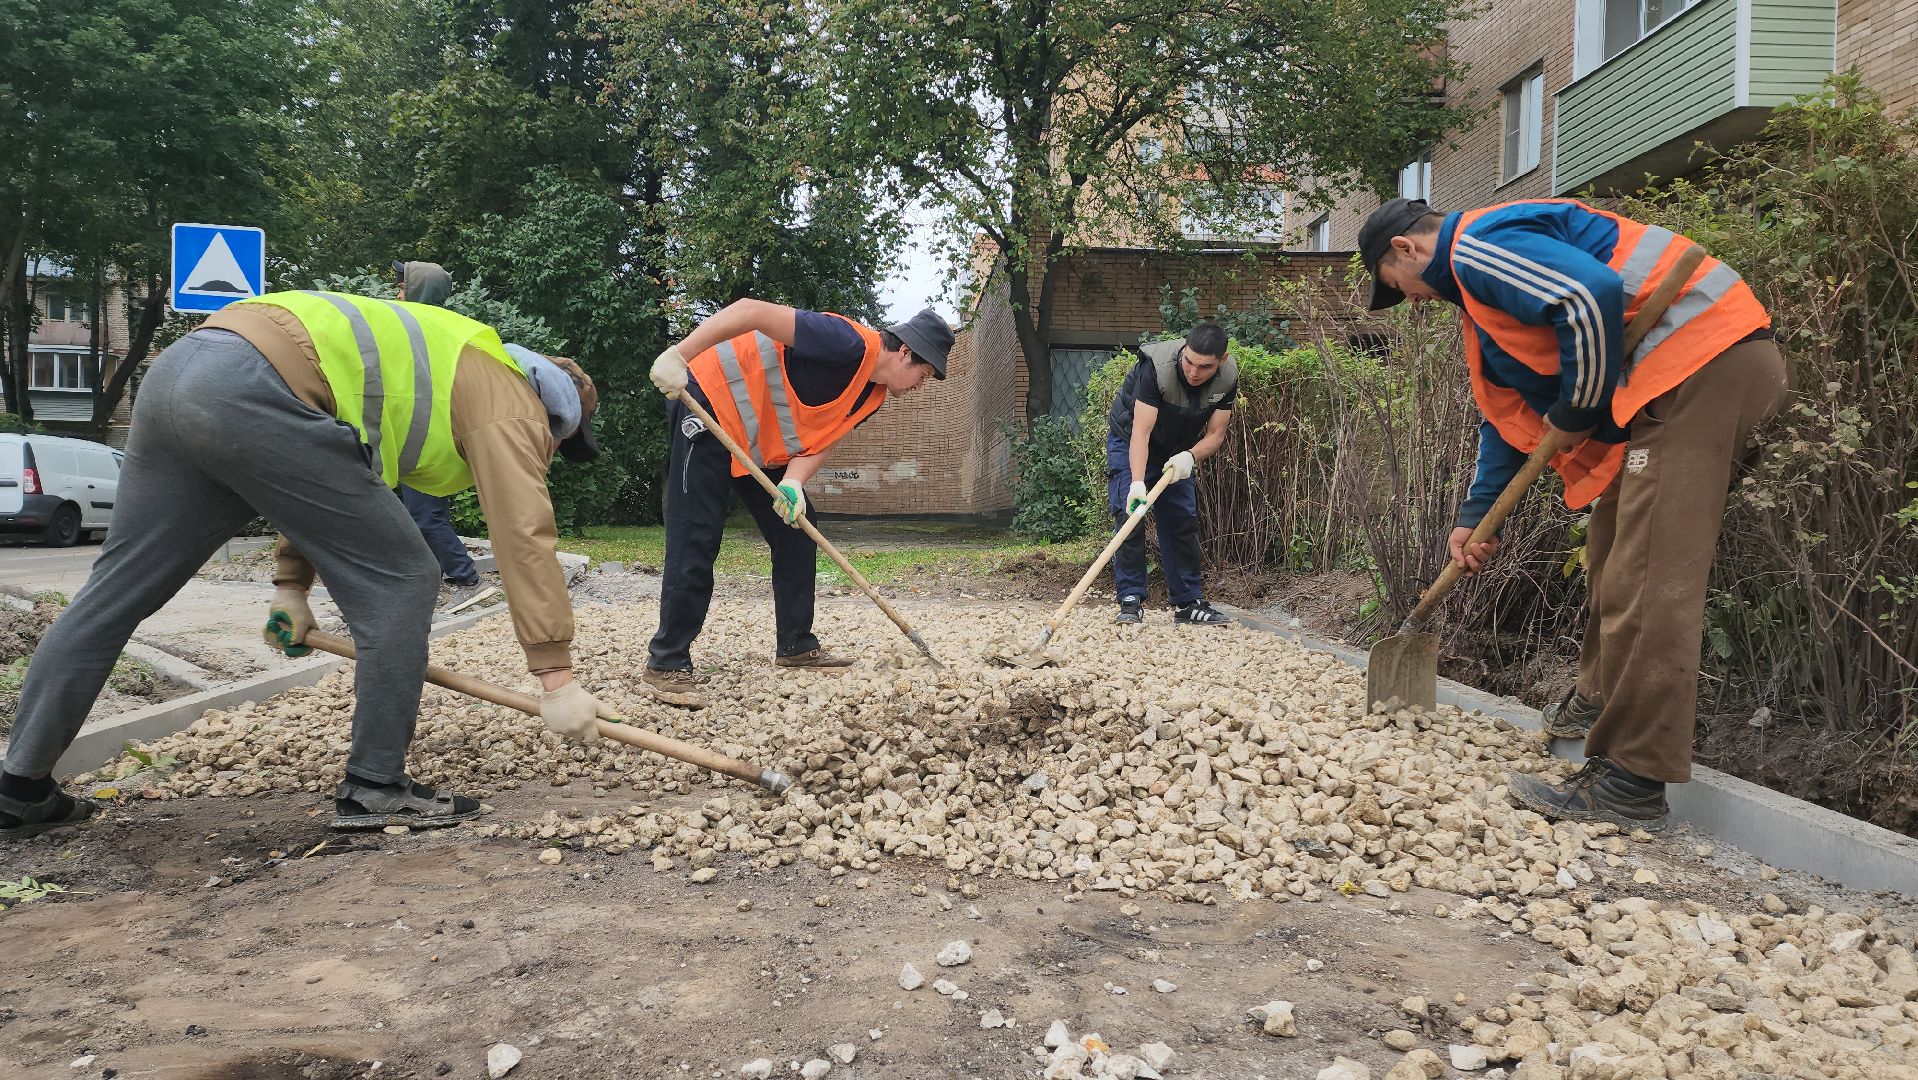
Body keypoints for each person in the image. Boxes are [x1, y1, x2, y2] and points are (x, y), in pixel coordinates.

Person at [0, 290, 610, 838]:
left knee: (118, 590)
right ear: (556, 415)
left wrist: (291, 587)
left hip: (184, 371)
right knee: (406, 577)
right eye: (561, 443)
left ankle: (19, 787)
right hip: (254, 386)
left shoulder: (436, 377)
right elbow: (524, 535)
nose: (550, 453)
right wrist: (556, 676)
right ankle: (375, 786)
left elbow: (323, 485)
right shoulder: (510, 398)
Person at [1360, 196, 1787, 832]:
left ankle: (1633, 782)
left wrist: (1578, 407)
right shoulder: (1485, 307)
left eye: (1399, 288)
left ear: (1407, 250)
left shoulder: (1476, 245)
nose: (1413, 301)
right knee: (1614, 550)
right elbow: (1505, 420)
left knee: (1649, 578)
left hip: (1701, 364)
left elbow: (1590, 295)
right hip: (1675, 385)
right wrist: (1477, 517)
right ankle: (1595, 702)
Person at [643, 301, 952, 708]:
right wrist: (679, 355)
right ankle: (666, 662)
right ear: (906, 352)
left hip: (756, 443)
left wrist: (793, 481)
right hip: (707, 399)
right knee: (696, 536)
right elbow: (750, 311)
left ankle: (795, 646)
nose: (920, 385)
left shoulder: (873, 396)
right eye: (924, 374)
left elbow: (824, 439)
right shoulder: (844, 343)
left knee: (799, 529)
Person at [1105, 323, 1236, 626]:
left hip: (1177, 449)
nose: (1193, 372)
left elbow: (1216, 435)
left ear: (1222, 360)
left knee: (1181, 519)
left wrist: (1189, 457)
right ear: (1182, 350)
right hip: (1131, 440)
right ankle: (1130, 598)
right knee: (1130, 515)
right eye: (1189, 362)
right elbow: (1141, 431)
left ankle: (1188, 603)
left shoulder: (1227, 378)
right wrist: (1137, 483)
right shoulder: (1156, 367)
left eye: (1204, 367)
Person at [394, 261, 482, 591]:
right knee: (424, 514)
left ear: (418, 290)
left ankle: (465, 575)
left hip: (426, 434)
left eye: (403, 287)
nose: (397, 293)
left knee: (425, 515)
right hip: (420, 431)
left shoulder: (416, 328)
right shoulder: (438, 326)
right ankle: (434, 574)